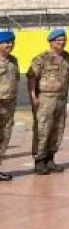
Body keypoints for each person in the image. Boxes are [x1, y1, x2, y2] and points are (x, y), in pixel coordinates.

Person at [27, 29, 69, 175]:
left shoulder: (67, 57)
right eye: (58, 40)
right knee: (42, 130)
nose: (61, 42)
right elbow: (31, 78)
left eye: (63, 39)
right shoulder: (41, 59)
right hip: (46, 99)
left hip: (61, 98)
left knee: (58, 129)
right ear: (51, 42)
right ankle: (39, 161)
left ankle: (50, 159)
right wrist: (33, 97)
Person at [0, 29, 18, 182]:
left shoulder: (14, 61)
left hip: (9, 106)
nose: (9, 45)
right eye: (6, 42)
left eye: (11, 42)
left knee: (4, 137)